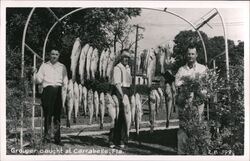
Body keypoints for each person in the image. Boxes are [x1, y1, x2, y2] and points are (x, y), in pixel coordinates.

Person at [175, 44, 208, 154]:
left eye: (192, 54)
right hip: (184, 103)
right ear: (186, 55)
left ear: (196, 55)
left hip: (198, 103)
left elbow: (205, 85)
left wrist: (190, 82)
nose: (190, 56)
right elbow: (177, 83)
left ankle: (196, 153)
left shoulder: (202, 68)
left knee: (197, 126)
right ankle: (182, 153)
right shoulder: (181, 69)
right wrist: (191, 80)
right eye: (189, 54)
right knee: (183, 128)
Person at [34, 49, 68, 146]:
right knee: (47, 115)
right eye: (52, 54)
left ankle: (57, 138)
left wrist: (66, 90)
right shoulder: (44, 66)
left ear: (59, 56)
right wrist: (34, 73)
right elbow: (38, 80)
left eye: (56, 54)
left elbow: (65, 80)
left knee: (57, 116)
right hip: (47, 91)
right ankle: (47, 137)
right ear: (49, 55)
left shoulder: (62, 67)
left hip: (58, 91)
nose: (54, 56)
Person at [109, 49, 132, 148]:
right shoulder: (117, 68)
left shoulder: (128, 68)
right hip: (119, 91)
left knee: (125, 117)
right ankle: (113, 140)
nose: (126, 59)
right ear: (121, 57)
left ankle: (122, 140)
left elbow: (129, 82)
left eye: (128, 57)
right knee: (116, 117)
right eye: (124, 57)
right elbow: (117, 84)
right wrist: (122, 95)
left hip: (126, 91)